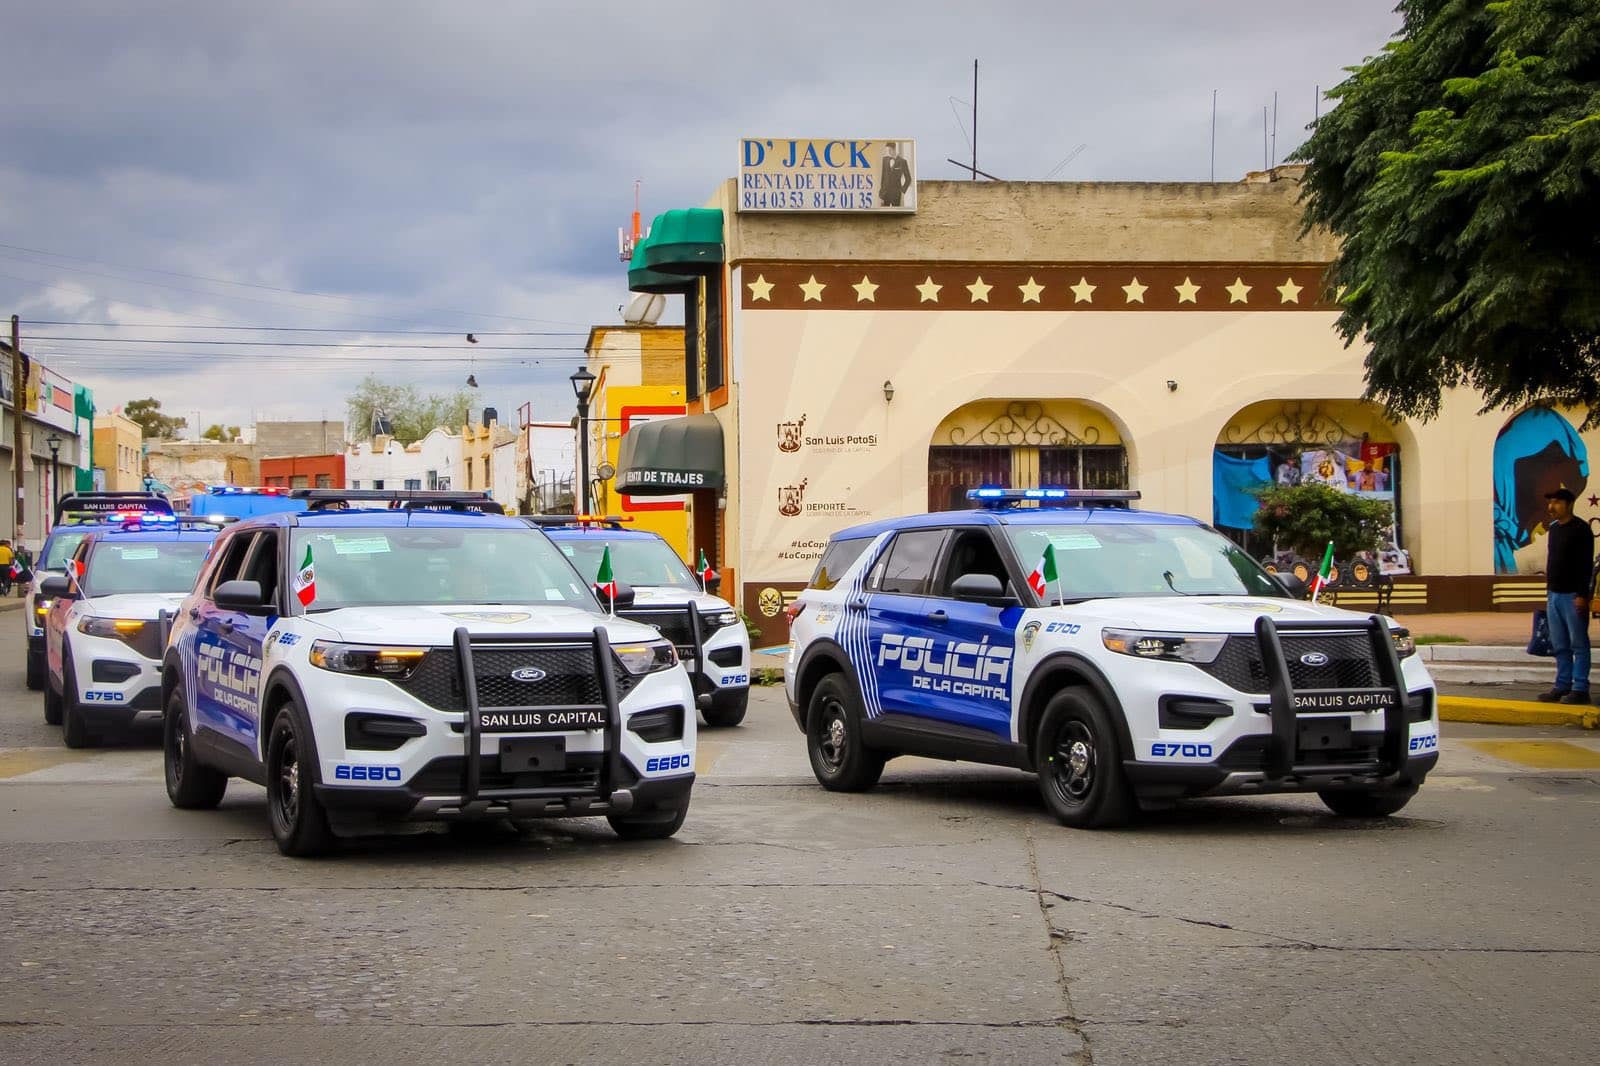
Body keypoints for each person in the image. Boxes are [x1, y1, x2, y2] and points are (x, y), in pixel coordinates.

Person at [1538, 488, 1594, 704]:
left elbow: (1585, 566)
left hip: (1573, 596)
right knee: (1560, 644)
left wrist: (1582, 595)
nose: (1551, 507)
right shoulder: (1554, 529)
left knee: (1578, 643)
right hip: (1554, 594)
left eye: (1557, 502)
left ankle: (1580, 688)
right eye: (1550, 502)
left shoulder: (1581, 529)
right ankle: (1562, 685)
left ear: (1569, 504)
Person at [878, 142, 912, 208]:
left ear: (894, 149)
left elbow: (908, 179)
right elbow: (883, 177)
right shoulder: (884, 160)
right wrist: (881, 193)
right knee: (884, 215)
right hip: (885, 194)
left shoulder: (903, 162)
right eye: (887, 151)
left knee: (896, 215)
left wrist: (902, 191)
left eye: (889, 150)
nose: (888, 153)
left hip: (896, 194)